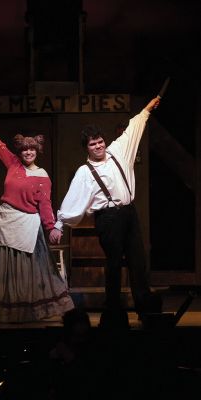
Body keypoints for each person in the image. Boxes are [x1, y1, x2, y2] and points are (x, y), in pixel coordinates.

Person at [49, 97, 162, 325]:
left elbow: (134, 128)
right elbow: (72, 201)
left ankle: (144, 309)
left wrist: (147, 109)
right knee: (113, 264)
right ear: (86, 148)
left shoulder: (118, 152)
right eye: (93, 144)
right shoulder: (85, 171)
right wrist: (59, 224)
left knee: (138, 262)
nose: (98, 146)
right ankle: (113, 313)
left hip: (129, 213)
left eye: (100, 141)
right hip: (108, 219)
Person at [0, 109, 74, 323]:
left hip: (28, 225)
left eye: (31, 149)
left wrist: (51, 227)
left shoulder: (42, 176)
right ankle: (9, 312)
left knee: (30, 270)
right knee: (8, 270)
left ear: (37, 151)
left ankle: (31, 312)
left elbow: (45, 204)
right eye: (25, 149)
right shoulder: (13, 164)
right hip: (7, 221)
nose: (28, 152)